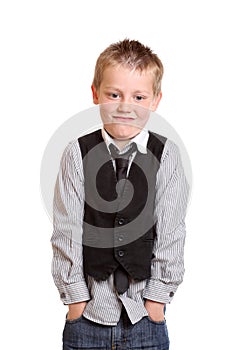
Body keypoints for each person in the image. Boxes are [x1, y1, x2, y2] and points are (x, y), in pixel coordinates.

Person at [51, 39, 190, 350]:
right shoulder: (77, 152)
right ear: (96, 94)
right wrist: (75, 300)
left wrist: (157, 300)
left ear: (155, 100)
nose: (126, 106)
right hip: (88, 317)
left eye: (138, 97)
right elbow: (67, 230)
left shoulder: (165, 154)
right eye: (114, 94)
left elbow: (171, 230)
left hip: (144, 318)